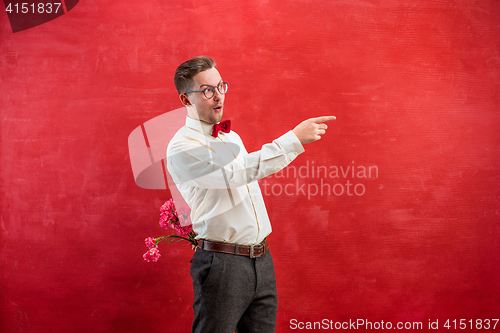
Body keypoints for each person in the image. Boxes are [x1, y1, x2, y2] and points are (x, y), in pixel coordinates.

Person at [166, 55, 335, 333]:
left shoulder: (231, 137)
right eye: (207, 90)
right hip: (222, 264)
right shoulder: (181, 148)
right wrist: (292, 139)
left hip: (261, 258)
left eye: (221, 86)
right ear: (185, 100)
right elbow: (236, 172)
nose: (218, 96)